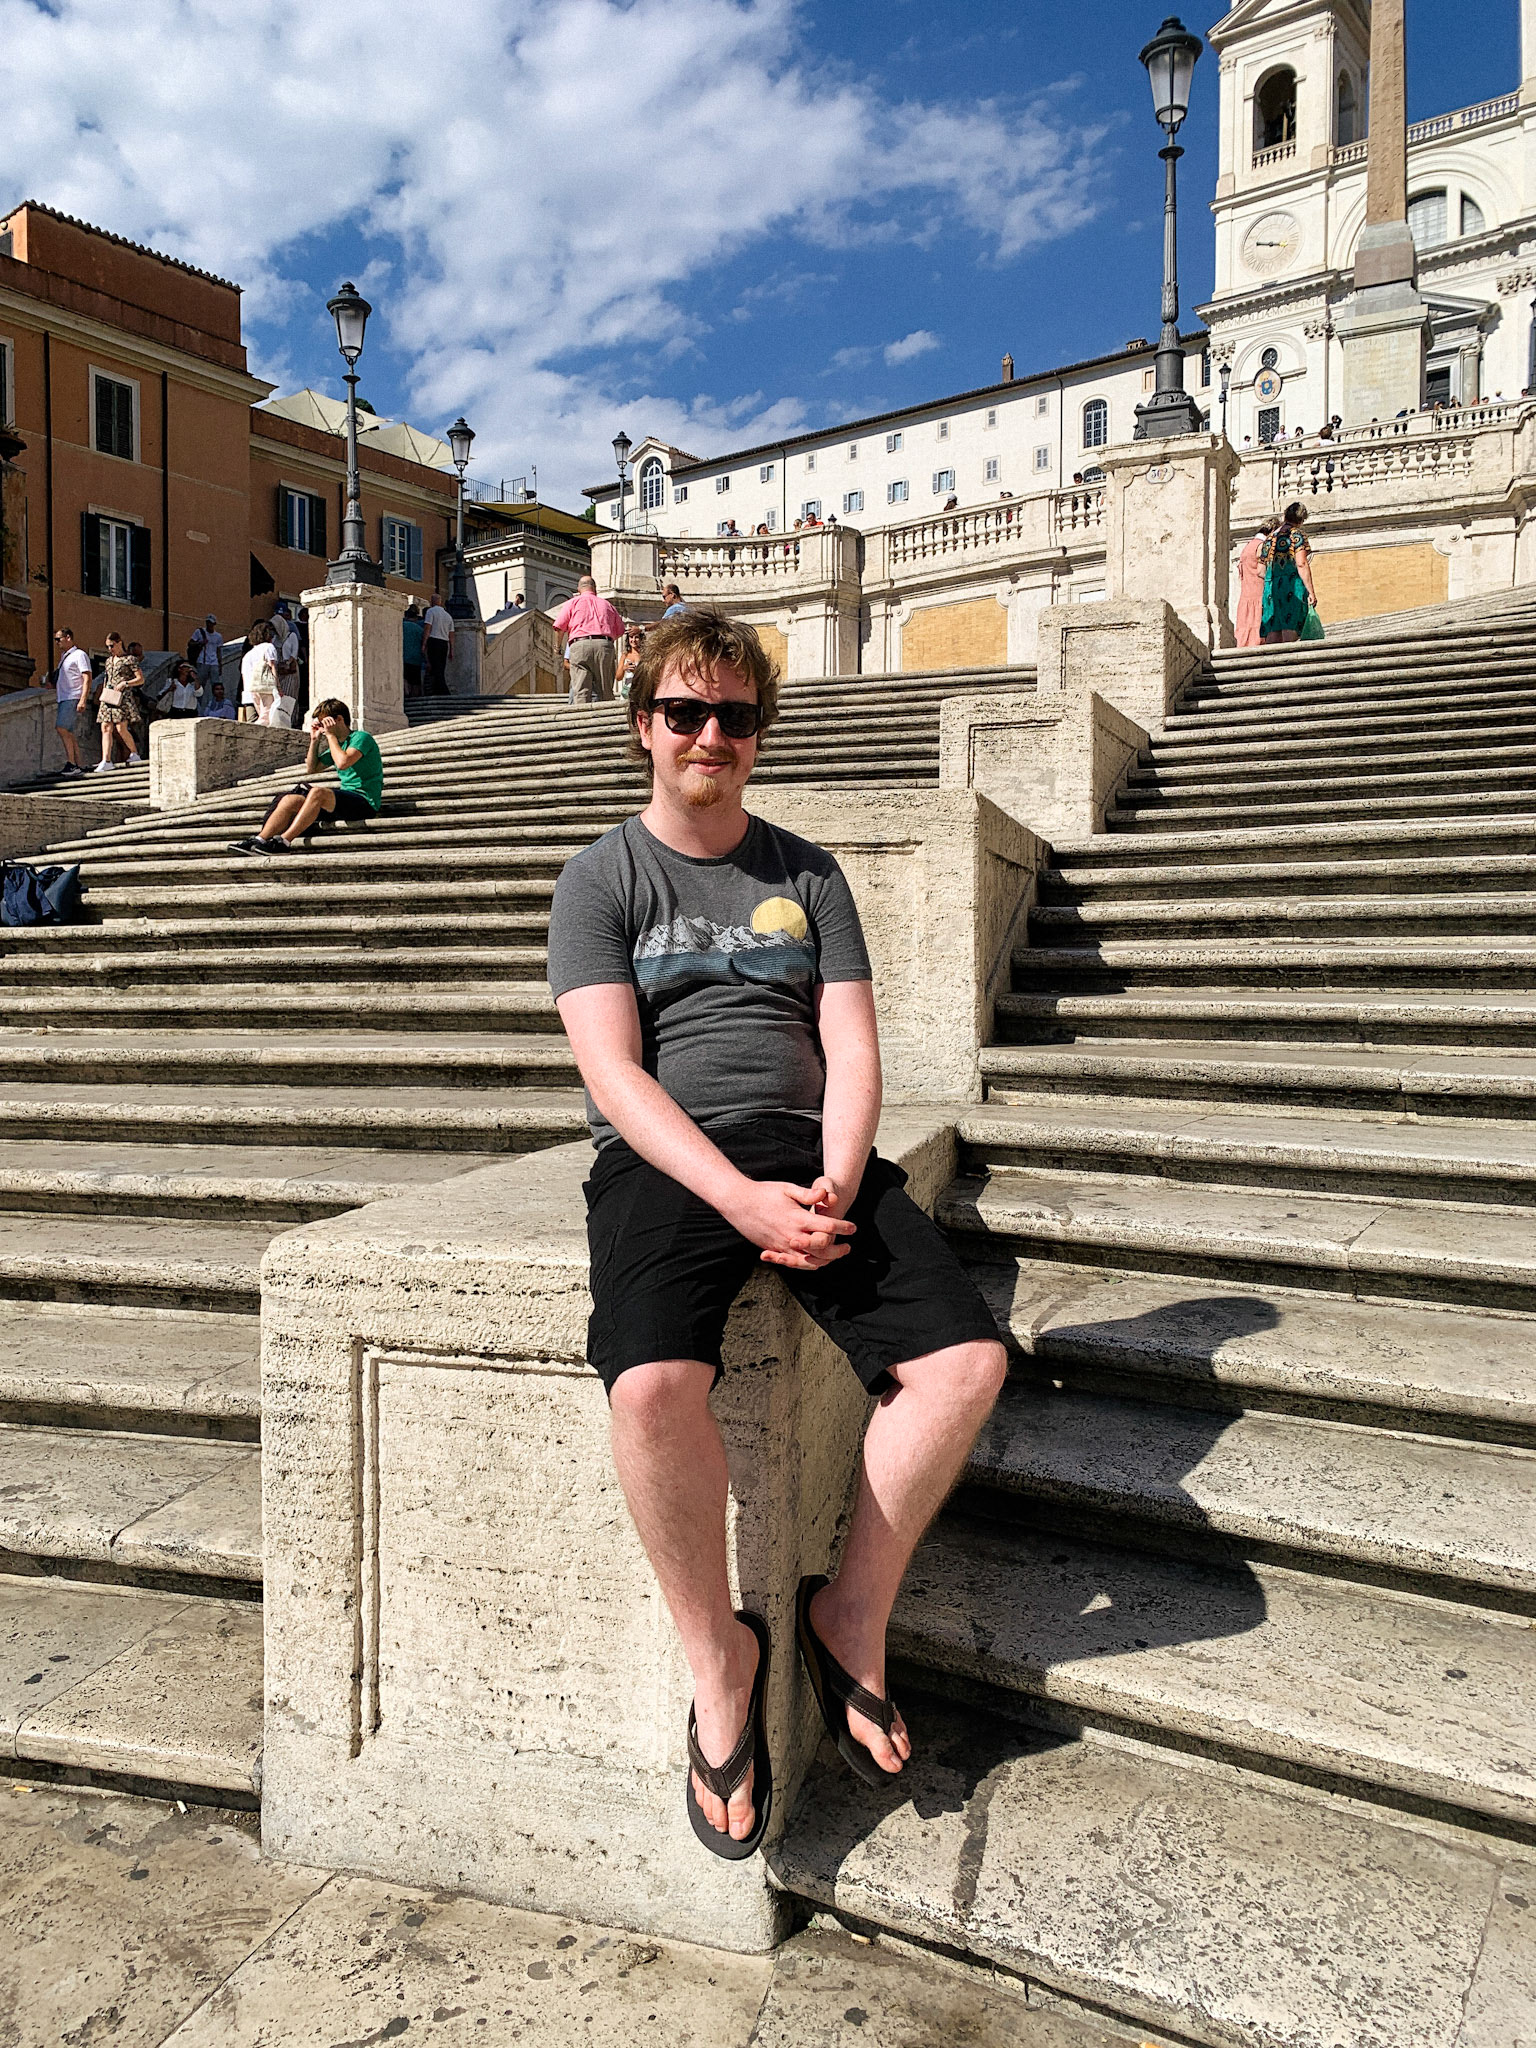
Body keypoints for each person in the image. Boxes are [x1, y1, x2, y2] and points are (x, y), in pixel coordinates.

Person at [546, 607, 1007, 1857]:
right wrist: (736, 1200)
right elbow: (614, 1074)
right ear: (644, 724)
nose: (711, 736)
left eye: (736, 718)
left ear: (760, 736)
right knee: (648, 1386)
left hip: (807, 1150)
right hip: (669, 1159)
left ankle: (847, 1612)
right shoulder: (603, 877)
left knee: (966, 1364)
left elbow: (854, 1046)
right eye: (686, 713)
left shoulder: (808, 872)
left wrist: (834, 1180)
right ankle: (722, 1660)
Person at [227, 698, 383, 855]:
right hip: (344, 802)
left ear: (339, 719)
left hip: (365, 802)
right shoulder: (337, 745)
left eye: (325, 722)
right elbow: (312, 768)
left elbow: (343, 762)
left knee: (317, 792)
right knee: (290, 799)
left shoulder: (361, 738)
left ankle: (284, 842)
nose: (322, 727)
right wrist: (314, 741)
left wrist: (330, 737)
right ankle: (260, 840)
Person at [552, 575, 625, 705]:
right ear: (595, 589)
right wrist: (605, 641)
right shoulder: (607, 605)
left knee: (581, 691)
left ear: (579, 589)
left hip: (579, 645)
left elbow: (559, 628)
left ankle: (581, 723)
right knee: (605, 691)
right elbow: (620, 631)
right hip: (604, 644)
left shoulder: (572, 603)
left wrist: (557, 648)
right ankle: (607, 721)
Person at [1259, 501, 1317, 644]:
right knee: (1290, 624)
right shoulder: (1296, 535)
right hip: (1291, 584)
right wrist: (1311, 592)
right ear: (1301, 519)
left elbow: (1260, 571)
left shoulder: (1269, 538)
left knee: (1273, 628)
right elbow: (1301, 563)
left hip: (1271, 586)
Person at [94, 632, 144, 770]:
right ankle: (106, 760)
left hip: (122, 697)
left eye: (112, 646)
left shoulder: (130, 659)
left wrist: (126, 684)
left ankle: (134, 753)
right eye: (107, 647)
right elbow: (107, 678)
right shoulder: (109, 661)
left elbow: (140, 679)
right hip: (109, 696)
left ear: (119, 643)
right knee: (105, 727)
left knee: (121, 728)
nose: (110, 649)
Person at [51, 627, 92, 773]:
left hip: (72, 696)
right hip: (64, 697)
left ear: (68, 637)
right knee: (67, 731)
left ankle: (72, 763)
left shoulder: (79, 655)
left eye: (58, 639)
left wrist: (83, 699)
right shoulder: (65, 657)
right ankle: (77, 763)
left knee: (61, 728)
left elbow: (87, 677)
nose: (57, 643)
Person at [1235, 517, 1276, 650]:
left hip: (1246, 592)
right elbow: (1261, 571)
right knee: (1259, 619)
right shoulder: (1262, 546)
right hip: (1258, 590)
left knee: (1247, 621)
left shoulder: (1248, 545)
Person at [240, 623, 279, 724]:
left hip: (249, 694)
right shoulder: (269, 647)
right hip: (265, 691)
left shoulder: (247, 655)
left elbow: (244, 676)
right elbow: (272, 666)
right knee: (269, 721)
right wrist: (278, 687)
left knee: (252, 726)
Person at [270, 604, 301, 727]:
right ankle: (279, 721)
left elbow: (294, 653)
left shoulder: (291, 636)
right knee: (279, 697)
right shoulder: (274, 640)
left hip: (290, 671)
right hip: (279, 671)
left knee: (290, 696)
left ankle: (291, 721)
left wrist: (287, 664)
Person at [422, 594, 455, 695]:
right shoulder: (448, 616)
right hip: (444, 644)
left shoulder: (430, 612)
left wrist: (424, 643)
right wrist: (451, 650)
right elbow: (451, 635)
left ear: (432, 601)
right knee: (441, 667)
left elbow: (428, 627)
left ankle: (444, 692)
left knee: (435, 668)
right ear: (440, 602)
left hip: (434, 641)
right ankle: (438, 691)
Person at [189, 615, 223, 705]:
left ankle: (216, 704)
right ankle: (197, 704)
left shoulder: (218, 636)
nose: (209, 625)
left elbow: (218, 650)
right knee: (200, 685)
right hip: (202, 661)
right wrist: (200, 642)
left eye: (211, 623)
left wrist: (220, 664)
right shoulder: (199, 632)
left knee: (215, 685)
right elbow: (190, 643)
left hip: (214, 662)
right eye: (208, 623)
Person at [615, 624, 645, 700]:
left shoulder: (645, 656)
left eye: (636, 637)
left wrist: (636, 672)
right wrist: (624, 668)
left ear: (641, 639)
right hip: (627, 691)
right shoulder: (625, 655)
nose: (633, 640)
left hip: (641, 691)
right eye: (631, 637)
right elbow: (618, 677)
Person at [402, 602, 425, 696]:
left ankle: (406, 695)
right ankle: (414, 698)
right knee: (415, 682)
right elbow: (423, 643)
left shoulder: (401, 626)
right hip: (416, 659)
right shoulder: (419, 629)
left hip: (403, 657)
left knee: (405, 678)